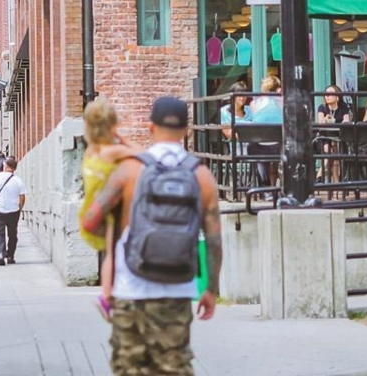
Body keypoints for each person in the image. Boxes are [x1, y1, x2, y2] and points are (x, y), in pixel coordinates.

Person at [80, 97, 221, 376]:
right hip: (177, 287)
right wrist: (211, 290)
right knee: (173, 367)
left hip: (130, 287)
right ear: (186, 130)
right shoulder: (202, 176)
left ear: (150, 127)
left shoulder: (130, 170)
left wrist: (112, 233)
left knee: (130, 368)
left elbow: (91, 218)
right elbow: (215, 240)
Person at [79, 98, 139, 321]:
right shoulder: (112, 151)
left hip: (91, 209)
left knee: (109, 253)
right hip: (108, 209)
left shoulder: (91, 151)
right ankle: (107, 295)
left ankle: (109, 294)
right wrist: (124, 140)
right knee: (114, 253)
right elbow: (143, 154)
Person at [0, 155, 26, 266]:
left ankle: (1, 254)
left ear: (5, 166)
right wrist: (20, 208)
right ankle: (10, 256)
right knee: (12, 234)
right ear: (15, 168)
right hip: (13, 210)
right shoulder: (18, 181)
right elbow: (22, 197)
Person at [248, 75, 283, 186]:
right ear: (278, 89)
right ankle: (282, 184)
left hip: (259, 147)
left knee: (255, 148)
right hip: (279, 147)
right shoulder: (283, 102)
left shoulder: (254, 104)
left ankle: (265, 187)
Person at [315, 85, 351, 186]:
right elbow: (320, 122)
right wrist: (325, 119)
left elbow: (346, 121)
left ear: (337, 97)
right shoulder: (322, 107)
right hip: (324, 138)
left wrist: (340, 122)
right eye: (326, 94)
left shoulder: (343, 107)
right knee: (332, 149)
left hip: (338, 138)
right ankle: (335, 182)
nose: (327, 96)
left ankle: (320, 176)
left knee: (334, 147)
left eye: (330, 94)